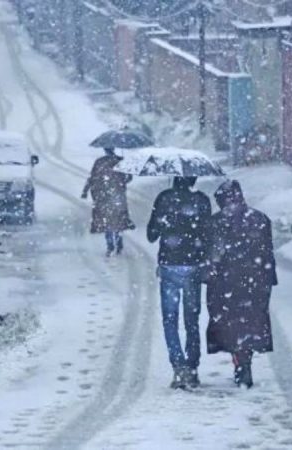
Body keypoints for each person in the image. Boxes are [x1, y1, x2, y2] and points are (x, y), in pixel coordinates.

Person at [204, 180, 277, 389]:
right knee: (250, 323)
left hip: (226, 283)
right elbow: (267, 254)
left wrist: (210, 274)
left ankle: (240, 361)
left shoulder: (216, 222)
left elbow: (214, 254)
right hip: (255, 282)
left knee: (230, 325)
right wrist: (267, 281)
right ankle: (245, 361)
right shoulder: (260, 219)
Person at [147, 176, 212, 389]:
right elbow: (208, 235)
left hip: (169, 266)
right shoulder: (201, 201)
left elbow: (151, 235)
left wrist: (164, 223)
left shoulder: (164, 199)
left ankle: (178, 366)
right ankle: (192, 368)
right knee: (192, 320)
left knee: (170, 319)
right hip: (193, 266)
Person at [81, 148, 135, 256]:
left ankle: (110, 245)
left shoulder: (99, 162)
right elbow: (128, 178)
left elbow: (92, 178)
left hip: (102, 197)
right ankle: (118, 243)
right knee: (118, 220)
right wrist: (124, 177)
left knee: (107, 222)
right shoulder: (120, 161)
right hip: (118, 196)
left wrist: (85, 191)